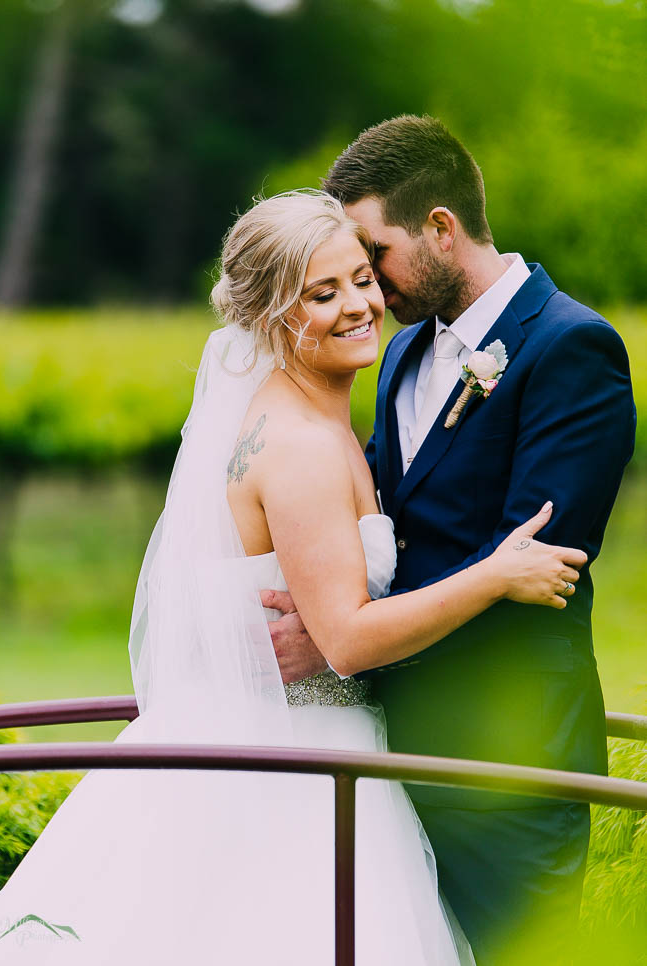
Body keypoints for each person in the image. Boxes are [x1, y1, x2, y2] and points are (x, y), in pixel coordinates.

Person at [0, 191, 586, 965]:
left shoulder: (306, 418)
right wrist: (494, 576)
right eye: (322, 294)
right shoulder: (303, 450)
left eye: (361, 279)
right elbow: (349, 641)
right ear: (272, 314)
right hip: (300, 769)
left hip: (281, 740)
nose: (358, 306)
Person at [266, 119, 637, 965]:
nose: (364, 286)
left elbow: (532, 563)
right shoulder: (400, 353)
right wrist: (318, 596)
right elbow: (382, 517)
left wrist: (342, 641)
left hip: (507, 764)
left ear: (439, 227)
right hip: (396, 754)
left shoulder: (572, 348)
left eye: (374, 253)